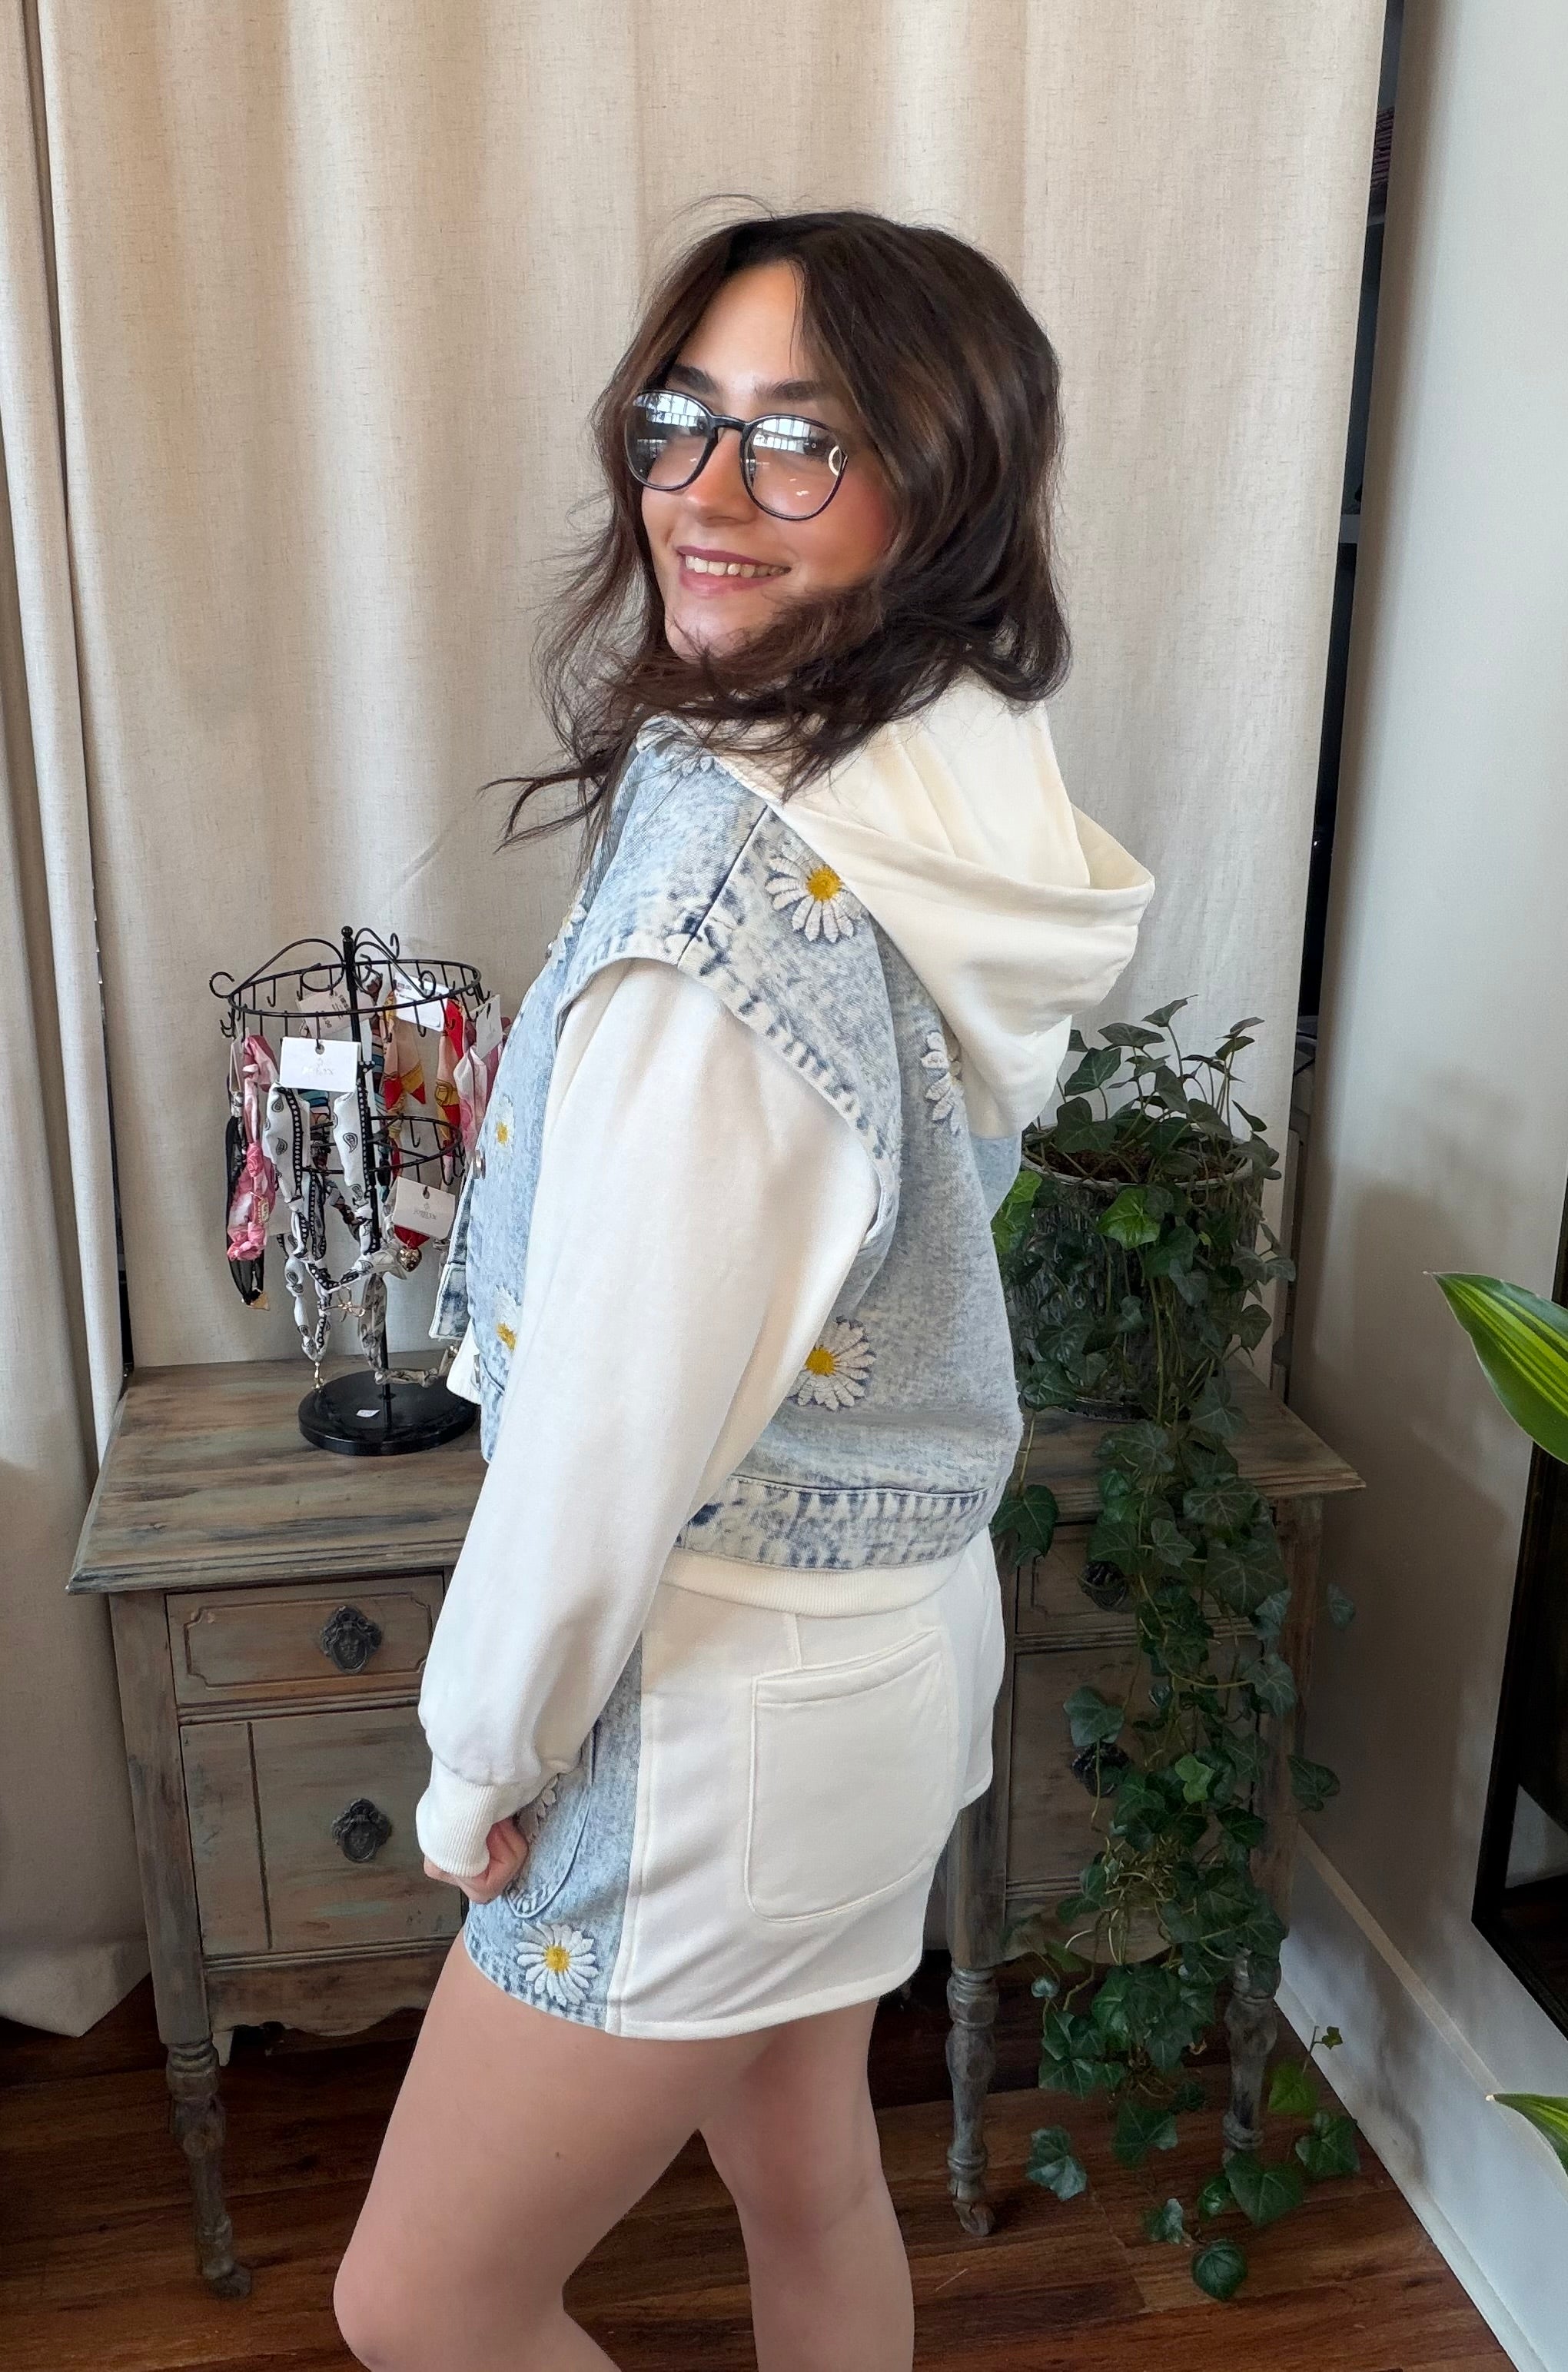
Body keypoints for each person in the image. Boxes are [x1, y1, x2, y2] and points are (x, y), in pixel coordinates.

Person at [334, 207, 1154, 2372]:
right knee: (808, 2184)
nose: (704, 490)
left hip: (714, 1702)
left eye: (801, 440)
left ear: (941, 484)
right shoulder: (949, 776)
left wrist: (473, 1760)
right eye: (680, 420)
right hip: (886, 1655)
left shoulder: (731, 929)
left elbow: (611, 1439)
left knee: (420, 2297)